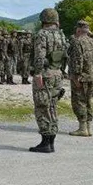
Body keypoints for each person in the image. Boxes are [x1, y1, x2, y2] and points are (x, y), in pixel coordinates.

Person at [29, 8, 68, 153]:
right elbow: (65, 55)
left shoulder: (42, 34)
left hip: (45, 74)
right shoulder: (61, 35)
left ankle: (46, 142)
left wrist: (38, 73)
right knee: (52, 106)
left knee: (42, 106)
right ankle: (51, 141)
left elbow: (40, 55)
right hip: (57, 73)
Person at [68, 20, 93, 137]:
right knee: (88, 101)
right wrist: (90, 33)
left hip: (81, 77)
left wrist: (75, 76)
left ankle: (82, 129)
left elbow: (77, 61)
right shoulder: (92, 41)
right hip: (91, 76)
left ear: (78, 29)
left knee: (79, 102)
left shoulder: (77, 42)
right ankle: (89, 128)